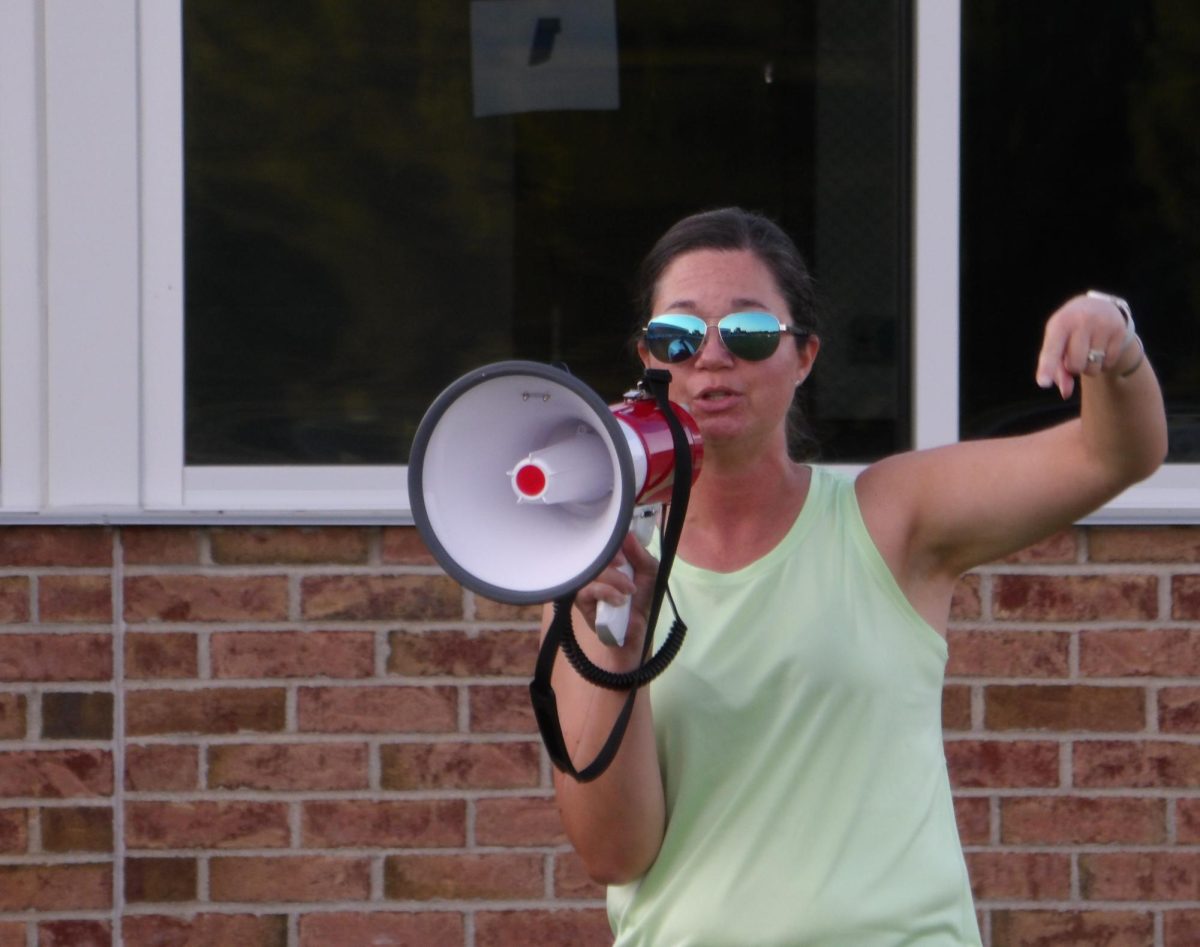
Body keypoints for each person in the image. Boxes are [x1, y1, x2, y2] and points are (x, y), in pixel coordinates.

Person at [541, 207, 1167, 945]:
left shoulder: (887, 518)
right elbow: (614, 851)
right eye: (677, 336)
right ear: (646, 357)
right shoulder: (596, 570)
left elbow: (1114, 455)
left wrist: (1114, 339)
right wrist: (621, 642)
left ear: (804, 355)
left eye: (747, 333)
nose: (710, 357)